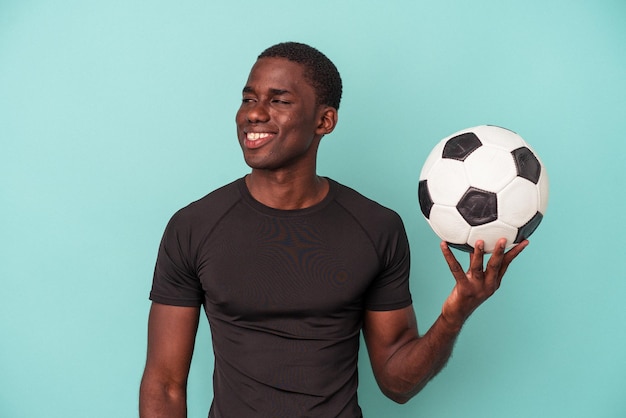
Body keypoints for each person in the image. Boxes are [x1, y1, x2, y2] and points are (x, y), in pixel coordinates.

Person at [139, 41, 528, 418]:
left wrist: (455, 315)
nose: (254, 113)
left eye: (279, 100)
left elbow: (397, 384)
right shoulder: (193, 227)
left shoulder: (376, 228)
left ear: (325, 121)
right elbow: (164, 384)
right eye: (248, 98)